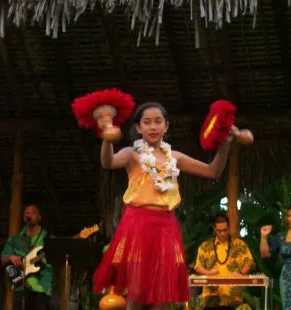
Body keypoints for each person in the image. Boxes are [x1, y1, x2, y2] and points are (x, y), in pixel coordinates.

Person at [92, 102, 234, 309]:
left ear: (166, 126)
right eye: (147, 122)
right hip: (137, 226)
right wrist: (106, 140)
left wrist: (226, 143)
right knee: (137, 293)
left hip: (166, 228)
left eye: (158, 122)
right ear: (139, 128)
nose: (153, 127)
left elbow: (213, 171)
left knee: (162, 296)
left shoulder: (174, 158)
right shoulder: (132, 154)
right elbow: (108, 162)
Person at [194, 213, 255, 310]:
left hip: (233, 300)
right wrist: (208, 273)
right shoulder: (205, 246)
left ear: (229, 227)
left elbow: (250, 263)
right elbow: (198, 267)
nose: (222, 233)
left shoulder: (239, 245)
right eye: (219, 231)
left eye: (225, 230)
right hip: (211, 298)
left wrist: (241, 273)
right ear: (214, 228)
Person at [1, 204, 52, 310]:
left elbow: (58, 254)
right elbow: (2, 258)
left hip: (41, 287)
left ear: (39, 217)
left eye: (33, 213)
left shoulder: (48, 238)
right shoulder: (15, 239)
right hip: (20, 286)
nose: (29, 215)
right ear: (24, 217)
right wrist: (11, 257)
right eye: (27, 213)